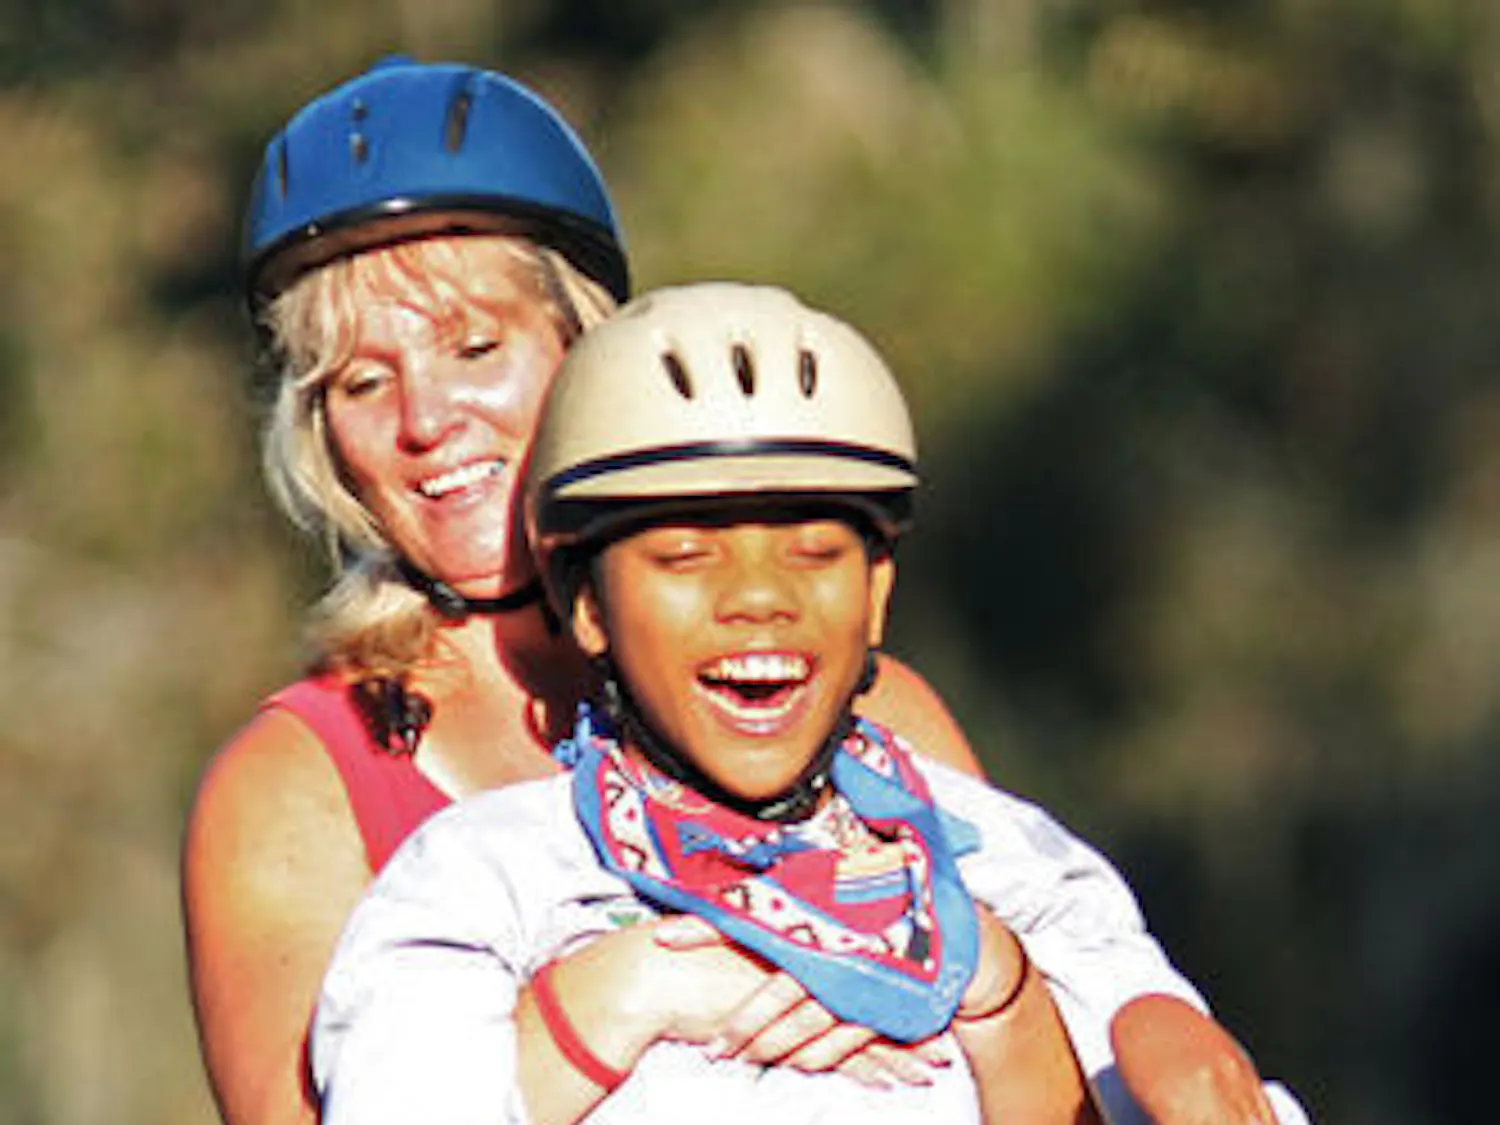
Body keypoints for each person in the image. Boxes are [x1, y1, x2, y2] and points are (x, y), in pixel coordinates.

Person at [182, 54, 1301, 1125]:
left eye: (476, 349)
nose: (425, 423)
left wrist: (1081, 1011)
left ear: (585, 346)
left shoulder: (869, 722)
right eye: (365, 383)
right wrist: (624, 996)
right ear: (320, 434)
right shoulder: (306, 796)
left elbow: (1060, 1005)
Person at [309, 282, 1309, 1125]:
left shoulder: (1017, 873)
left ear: (876, 594)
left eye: (815, 553)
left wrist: (1039, 1007)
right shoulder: (476, 891)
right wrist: (610, 1002)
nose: (758, 599)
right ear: (586, 604)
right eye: (686, 556)